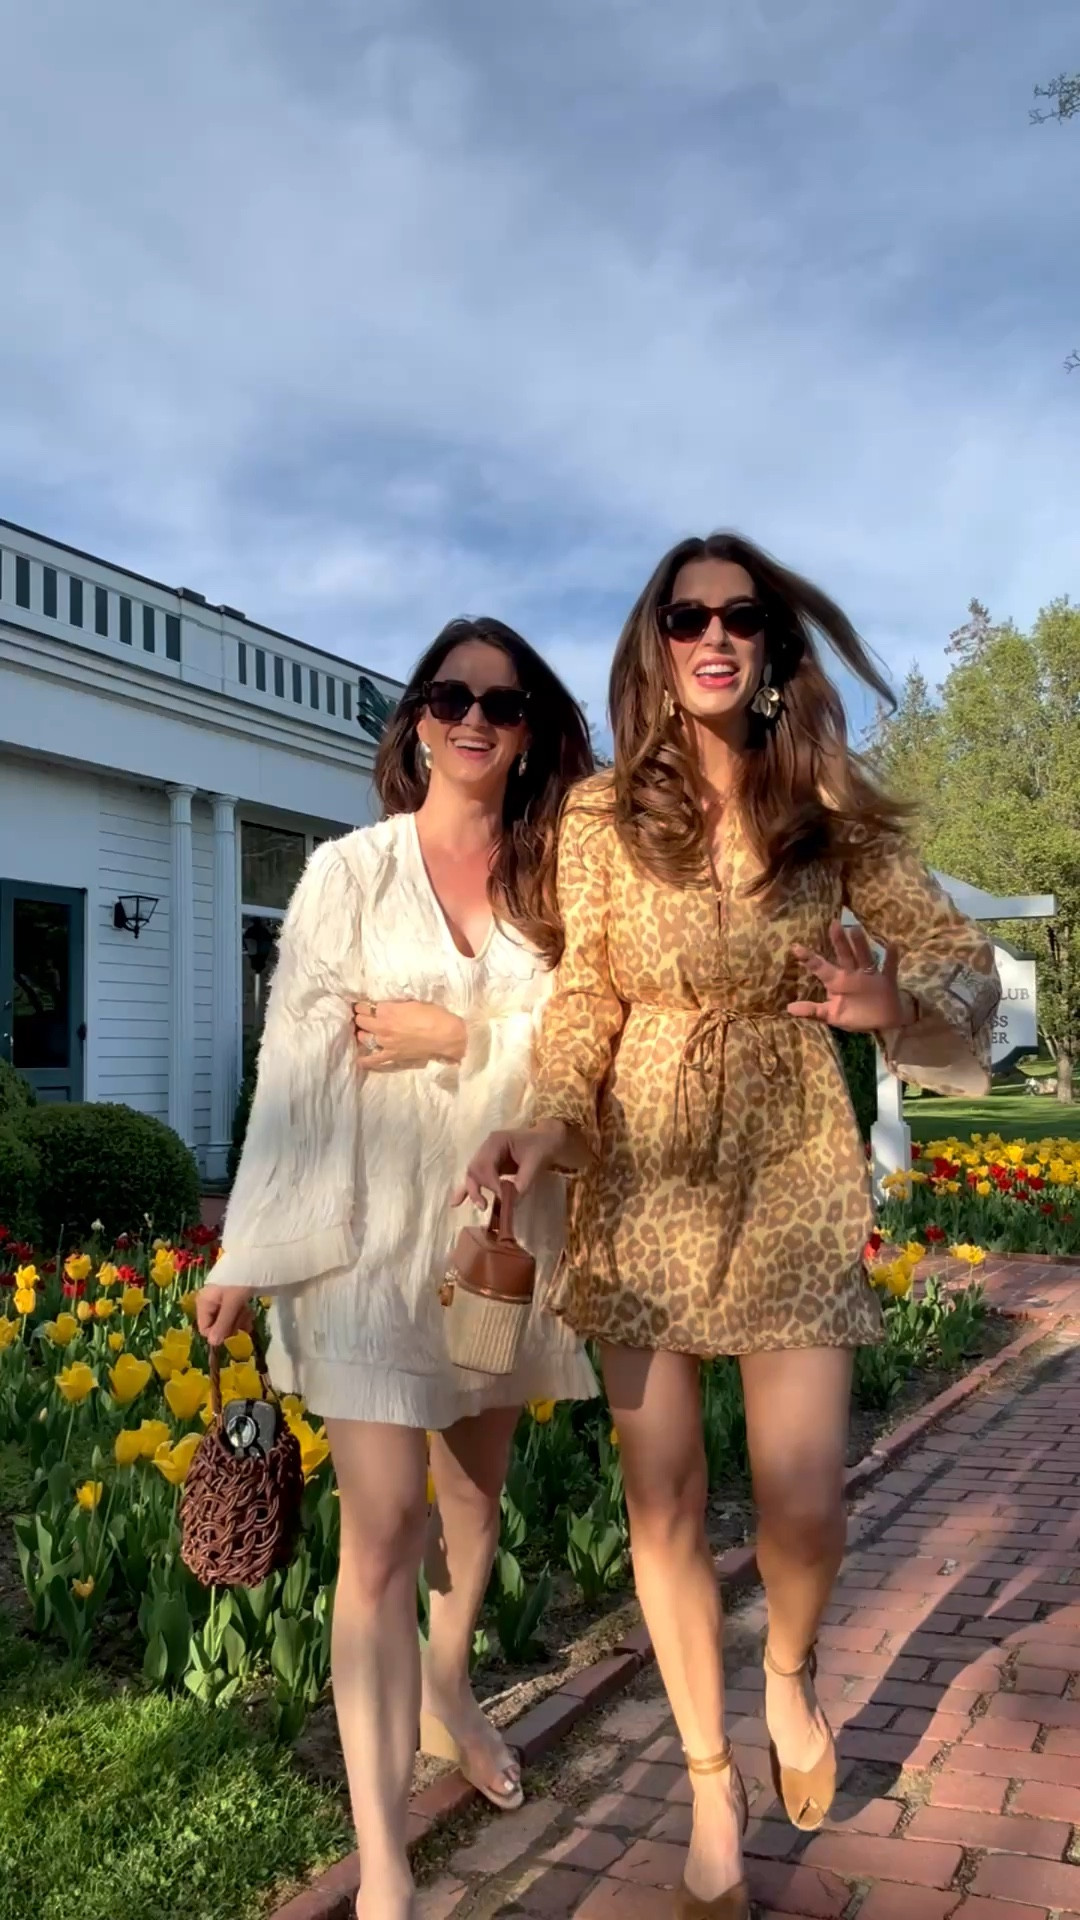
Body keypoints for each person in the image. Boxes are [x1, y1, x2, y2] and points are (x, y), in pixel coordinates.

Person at [457, 534, 1000, 1920]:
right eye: (685, 613)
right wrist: (548, 1123)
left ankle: (787, 1674)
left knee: (805, 1498)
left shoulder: (829, 806)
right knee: (664, 1498)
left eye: (740, 616)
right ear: (656, 641)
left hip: (790, 1151)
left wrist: (899, 1010)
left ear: (768, 652)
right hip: (641, 1161)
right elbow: (586, 999)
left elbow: (954, 965)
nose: (713, 633)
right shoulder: (591, 818)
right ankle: (709, 1783)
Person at [197, 616, 598, 1920]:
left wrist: (449, 1034)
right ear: (416, 722)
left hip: (495, 1251)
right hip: (368, 1249)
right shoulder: (345, 878)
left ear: (529, 729)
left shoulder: (556, 889)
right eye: (450, 696)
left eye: (503, 701)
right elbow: (296, 1072)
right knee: (382, 1532)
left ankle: (447, 1690)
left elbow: (576, 1063)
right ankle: (382, 1863)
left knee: (473, 1509)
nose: (476, 718)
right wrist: (248, 1251)